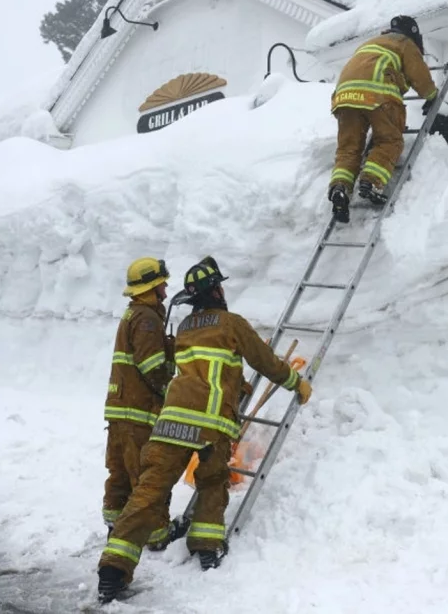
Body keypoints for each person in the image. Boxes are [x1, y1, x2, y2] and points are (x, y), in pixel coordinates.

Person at [96, 256, 313, 604]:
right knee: (212, 482)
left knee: (148, 492)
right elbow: (264, 360)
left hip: (170, 422)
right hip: (211, 424)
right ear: (217, 290)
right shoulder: (232, 324)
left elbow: (202, 369)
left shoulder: (184, 328)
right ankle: (207, 547)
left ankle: (112, 571)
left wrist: (234, 381)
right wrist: (295, 382)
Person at [328, 14, 439, 223]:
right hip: (377, 93)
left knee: (348, 148)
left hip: (344, 96)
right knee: (389, 140)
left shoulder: (371, 43)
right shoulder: (404, 43)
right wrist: (431, 96)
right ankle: (370, 182)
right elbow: (419, 74)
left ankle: (340, 189)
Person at [102, 257, 176, 551]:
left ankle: (115, 527)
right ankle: (156, 536)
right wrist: (171, 390)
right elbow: (152, 366)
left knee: (119, 474)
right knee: (146, 478)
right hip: (137, 413)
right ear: (153, 287)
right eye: (163, 283)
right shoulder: (147, 319)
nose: (167, 288)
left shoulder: (133, 314)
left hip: (120, 411)